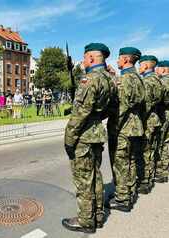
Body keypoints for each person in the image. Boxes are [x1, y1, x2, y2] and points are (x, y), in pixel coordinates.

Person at [62, 43, 112, 233]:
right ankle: (98, 214)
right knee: (96, 176)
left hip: (83, 136)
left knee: (83, 180)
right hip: (97, 133)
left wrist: (69, 139)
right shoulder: (108, 79)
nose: (83, 61)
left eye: (84, 58)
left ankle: (85, 220)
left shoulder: (89, 80)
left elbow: (80, 113)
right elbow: (109, 108)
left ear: (91, 58)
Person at [105, 47, 145, 212]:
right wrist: (114, 76)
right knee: (130, 162)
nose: (117, 61)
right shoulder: (138, 78)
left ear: (127, 59)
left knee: (120, 164)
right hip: (135, 127)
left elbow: (121, 107)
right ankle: (129, 191)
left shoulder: (126, 79)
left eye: (119, 58)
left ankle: (122, 199)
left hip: (123, 129)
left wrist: (113, 126)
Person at [138, 55, 164, 193]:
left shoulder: (148, 81)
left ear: (147, 66)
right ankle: (151, 176)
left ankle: (145, 182)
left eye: (140, 64)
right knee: (152, 149)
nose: (139, 67)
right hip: (156, 118)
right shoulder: (157, 80)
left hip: (148, 120)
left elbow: (146, 104)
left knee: (145, 151)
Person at [155, 60, 169, 183]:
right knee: (166, 142)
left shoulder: (164, 81)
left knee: (159, 142)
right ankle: (165, 168)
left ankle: (161, 171)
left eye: (158, 68)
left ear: (163, 69)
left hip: (164, 113)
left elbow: (161, 99)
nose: (156, 70)